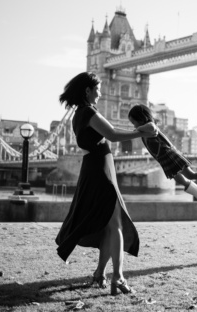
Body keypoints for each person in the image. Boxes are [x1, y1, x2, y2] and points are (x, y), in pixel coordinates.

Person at [55, 72, 157, 296]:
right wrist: (142, 131)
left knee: (107, 226)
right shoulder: (89, 112)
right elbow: (111, 134)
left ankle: (100, 274)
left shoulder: (78, 114)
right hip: (101, 169)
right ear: (87, 91)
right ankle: (118, 277)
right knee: (115, 225)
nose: (100, 93)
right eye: (98, 89)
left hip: (96, 167)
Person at [128, 104, 197, 206]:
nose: (134, 126)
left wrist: (137, 130)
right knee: (179, 179)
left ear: (141, 118)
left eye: (134, 122)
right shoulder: (144, 131)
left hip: (170, 154)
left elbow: (151, 126)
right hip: (163, 159)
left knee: (190, 174)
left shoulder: (151, 127)